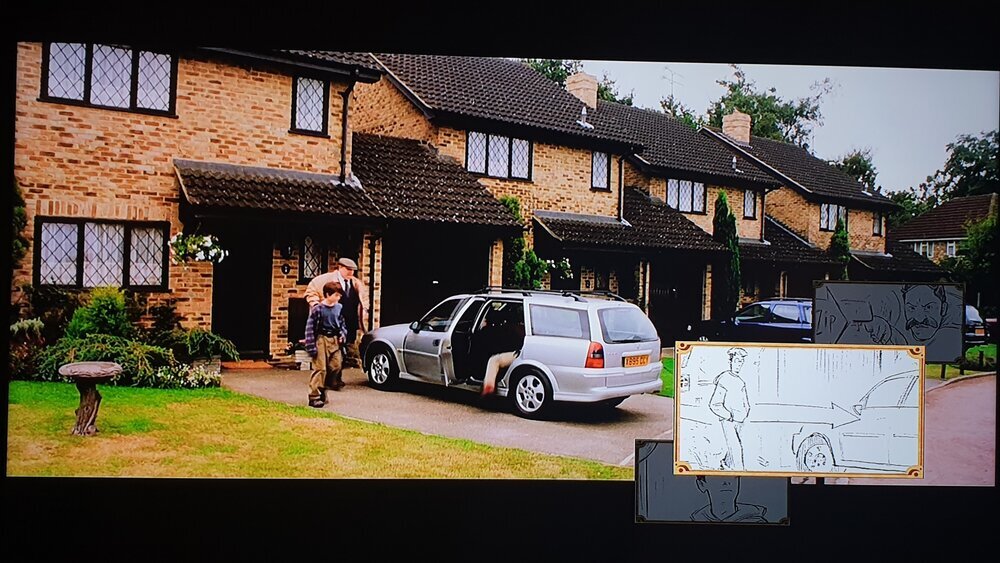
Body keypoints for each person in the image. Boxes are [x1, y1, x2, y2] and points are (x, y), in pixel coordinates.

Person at [305, 257, 368, 369]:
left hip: (350, 323)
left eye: (353, 270)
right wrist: (316, 305)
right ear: (340, 267)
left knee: (344, 355)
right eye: (348, 269)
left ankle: (341, 370)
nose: (351, 272)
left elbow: (364, 301)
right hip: (331, 323)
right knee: (328, 357)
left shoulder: (356, 283)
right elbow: (310, 292)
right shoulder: (324, 279)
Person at [303, 281, 347, 408]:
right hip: (321, 339)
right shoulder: (318, 309)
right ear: (327, 294)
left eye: (339, 296)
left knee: (336, 365)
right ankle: (314, 396)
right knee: (320, 368)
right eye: (336, 295)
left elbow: (342, 323)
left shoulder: (339, 308)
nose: (338, 298)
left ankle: (323, 387)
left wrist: (342, 335)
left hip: (334, 339)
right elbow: (310, 328)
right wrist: (311, 346)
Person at [709, 347, 750, 471]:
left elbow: (745, 402)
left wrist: (745, 412)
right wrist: (729, 416)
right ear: (730, 361)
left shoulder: (741, 382)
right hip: (729, 421)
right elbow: (714, 403)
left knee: (738, 446)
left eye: (741, 362)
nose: (739, 364)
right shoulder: (724, 379)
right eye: (736, 361)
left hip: (740, 421)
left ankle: (725, 465)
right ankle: (739, 471)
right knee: (736, 448)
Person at [690, 475, 767, 523]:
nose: (726, 482)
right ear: (701, 484)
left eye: (733, 476)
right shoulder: (695, 522)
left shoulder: (756, 522)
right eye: (717, 476)